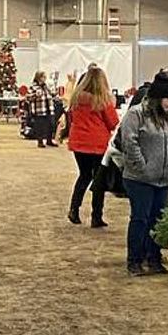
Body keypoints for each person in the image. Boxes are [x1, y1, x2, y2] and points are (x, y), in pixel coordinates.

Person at [114, 72, 168, 275]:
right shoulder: (135, 114)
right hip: (139, 179)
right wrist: (141, 166)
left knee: (158, 219)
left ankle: (154, 258)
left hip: (164, 179)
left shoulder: (167, 118)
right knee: (140, 218)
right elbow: (129, 141)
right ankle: (134, 260)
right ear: (159, 97)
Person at [65, 64, 119, 227]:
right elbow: (113, 122)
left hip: (78, 143)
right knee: (99, 180)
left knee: (84, 175)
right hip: (97, 144)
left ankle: (74, 209)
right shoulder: (103, 101)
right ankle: (96, 216)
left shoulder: (76, 99)